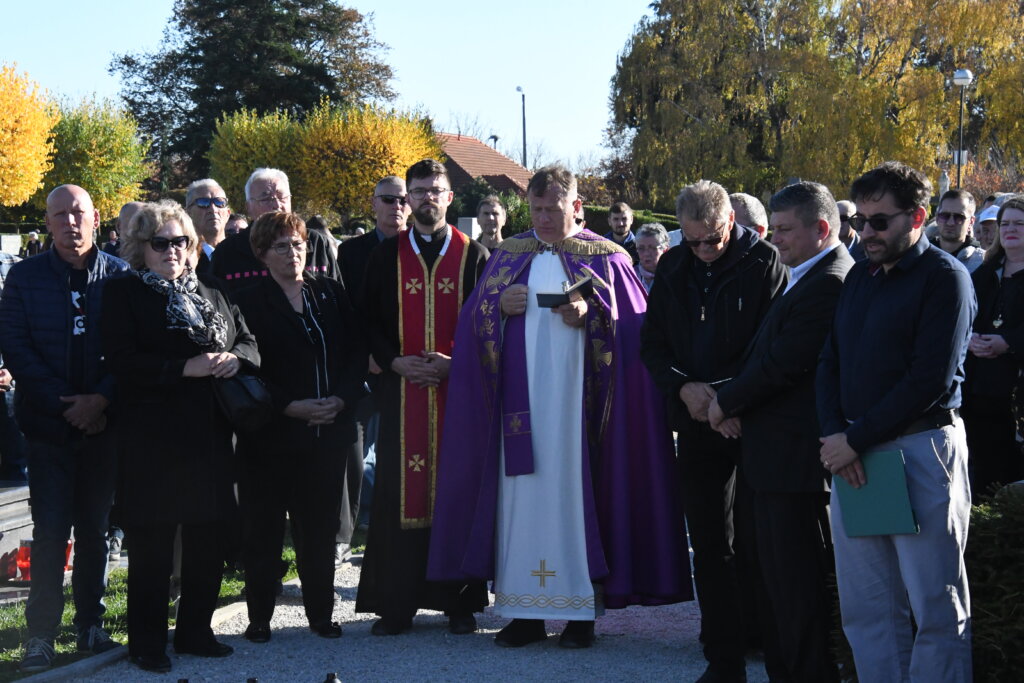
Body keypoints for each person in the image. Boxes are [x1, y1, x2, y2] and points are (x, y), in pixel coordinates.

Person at [428, 164, 691, 649]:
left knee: (575, 499)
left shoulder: (608, 258)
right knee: (519, 501)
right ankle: (524, 614)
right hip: (518, 410)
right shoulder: (507, 257)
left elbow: (637, 332)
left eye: (553, 208)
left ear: (577, 207)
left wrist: (592, 316)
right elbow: (472, 327)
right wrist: (496, 308)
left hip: (580, 414)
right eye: (536, 209)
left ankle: (580, 616)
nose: (544, 218)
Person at [817, 161, 974, 681]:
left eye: (879, 222)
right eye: (860, 221)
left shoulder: (946, 279)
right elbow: (830, 361)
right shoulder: (860, 274)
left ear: (917, 217)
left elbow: (928, 379)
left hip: (920, 450)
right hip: (857, 455)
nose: (866, 233)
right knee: (868, 610)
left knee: (935, 606)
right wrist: (836, 436)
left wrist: (852, 440)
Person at [100, 201, 257, 673]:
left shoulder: (211, 290)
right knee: (152, 547)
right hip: (155, 441)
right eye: (160, 243)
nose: (172, 251)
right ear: (140, 248)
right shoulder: (124, 293)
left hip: (211, 439)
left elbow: (248, 341)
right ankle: (146, 643)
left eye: (180, 242)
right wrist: (181, 368)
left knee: (207, 543)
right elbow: (121, 362)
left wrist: (236, 360)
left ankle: (195, 632)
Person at [640, 179, 787, 683]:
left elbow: (769, 351)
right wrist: (686, 391)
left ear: (732, 224)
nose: (704, 251)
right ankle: (723, 658)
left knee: (758, 540)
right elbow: (654, 345)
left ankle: (770, 643)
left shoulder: (765, 263)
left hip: (752, 421)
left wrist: (725, 399)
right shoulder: (676, 266)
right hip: (698, 422)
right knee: (708, 541)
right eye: (693, 241)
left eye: (714, 240)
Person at [709, 182, 853, 683]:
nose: (778, 240)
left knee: (798, 593)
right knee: (777, 591)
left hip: (796, 467)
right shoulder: (803, 275)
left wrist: (724, 402)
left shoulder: (831, 281)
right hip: (772, 461)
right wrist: (728, 400)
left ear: (822, 228)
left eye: (787, 230)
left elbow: (784, 364)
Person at [355, 158, 489, 636]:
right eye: (418, 190)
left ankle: (459, 604)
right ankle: (397, 603)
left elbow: (488, 327)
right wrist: (394, 362)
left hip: (458, 394)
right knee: (396, 493)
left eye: (436, 190)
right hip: (400, 394)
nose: (427, 198)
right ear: (406, 198)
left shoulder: (474, 255)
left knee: (458, 490)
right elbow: (365, 323)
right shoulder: (383, 256)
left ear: (450, 197)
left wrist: (459, 366)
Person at [0, 185, 130, 673]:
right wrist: (66, 404)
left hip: (103, 425)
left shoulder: (119, 276)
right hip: (48, 428)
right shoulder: (25, 277)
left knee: (96, 530)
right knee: (51, 532)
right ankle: (41, 635)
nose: (71, 223)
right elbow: (15, 345)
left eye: (79, 213)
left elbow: (126, 349)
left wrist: (100, 400)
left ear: (95, 218)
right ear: (48, 222)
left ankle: (91, 624)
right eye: (61, 215)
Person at [233, 212, 366, 643]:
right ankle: (259, 618)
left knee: (319, 528)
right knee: (264, 530)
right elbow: (247, 368)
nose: (293, 253)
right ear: (261, 254)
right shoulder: (247, 301)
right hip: (271, 436)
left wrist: (341, 399)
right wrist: (289, 406)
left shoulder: (328, 293)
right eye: (281, 246)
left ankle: (321, 615)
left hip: (327, 432)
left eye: (298, 244)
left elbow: (353, 352)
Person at [336, 175, 411, 550]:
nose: (395, 207)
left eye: (402, 200)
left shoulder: (420, 248)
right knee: (356, 447)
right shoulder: (351, 253)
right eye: (388, 199)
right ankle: (351, 526)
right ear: (373, 203)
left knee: (402, 447)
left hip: (408, 365)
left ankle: (397, 518)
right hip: (366, 366)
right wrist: (370, 354)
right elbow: (350, 309)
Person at [961, 196, 1024, 499]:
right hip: (978, 393)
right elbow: (961, 313)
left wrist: (1009, 342)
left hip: (1016, 394)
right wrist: (969, 336)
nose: (1010, 229)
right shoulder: (985, 272)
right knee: (981, 471)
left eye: (1019, 223)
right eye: (1005, 224)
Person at [211, 168, 339, 289]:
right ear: (248, 207)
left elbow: (337, 294)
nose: (277, 205)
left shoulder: (316, 243)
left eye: (282, 197)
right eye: (266, 198)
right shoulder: (228, 252)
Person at [185, 179, 231, 274]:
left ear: (228, 213)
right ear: (188, 213)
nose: (213, 209)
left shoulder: (244, 252)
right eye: (203, 202)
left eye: (219, 202)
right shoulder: (182, 258)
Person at [931, 188, 984, 273]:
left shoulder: (982, 262)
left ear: (971, 221)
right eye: (945, 216)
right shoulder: (921, 257)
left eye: (959, 217)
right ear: (937, 218)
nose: (950, 223)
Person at [634, 222, 670, 292]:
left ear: (665, 250)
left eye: (653, 248)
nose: (646, 253)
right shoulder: (630, 275)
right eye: (641, 248)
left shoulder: (675, 276)